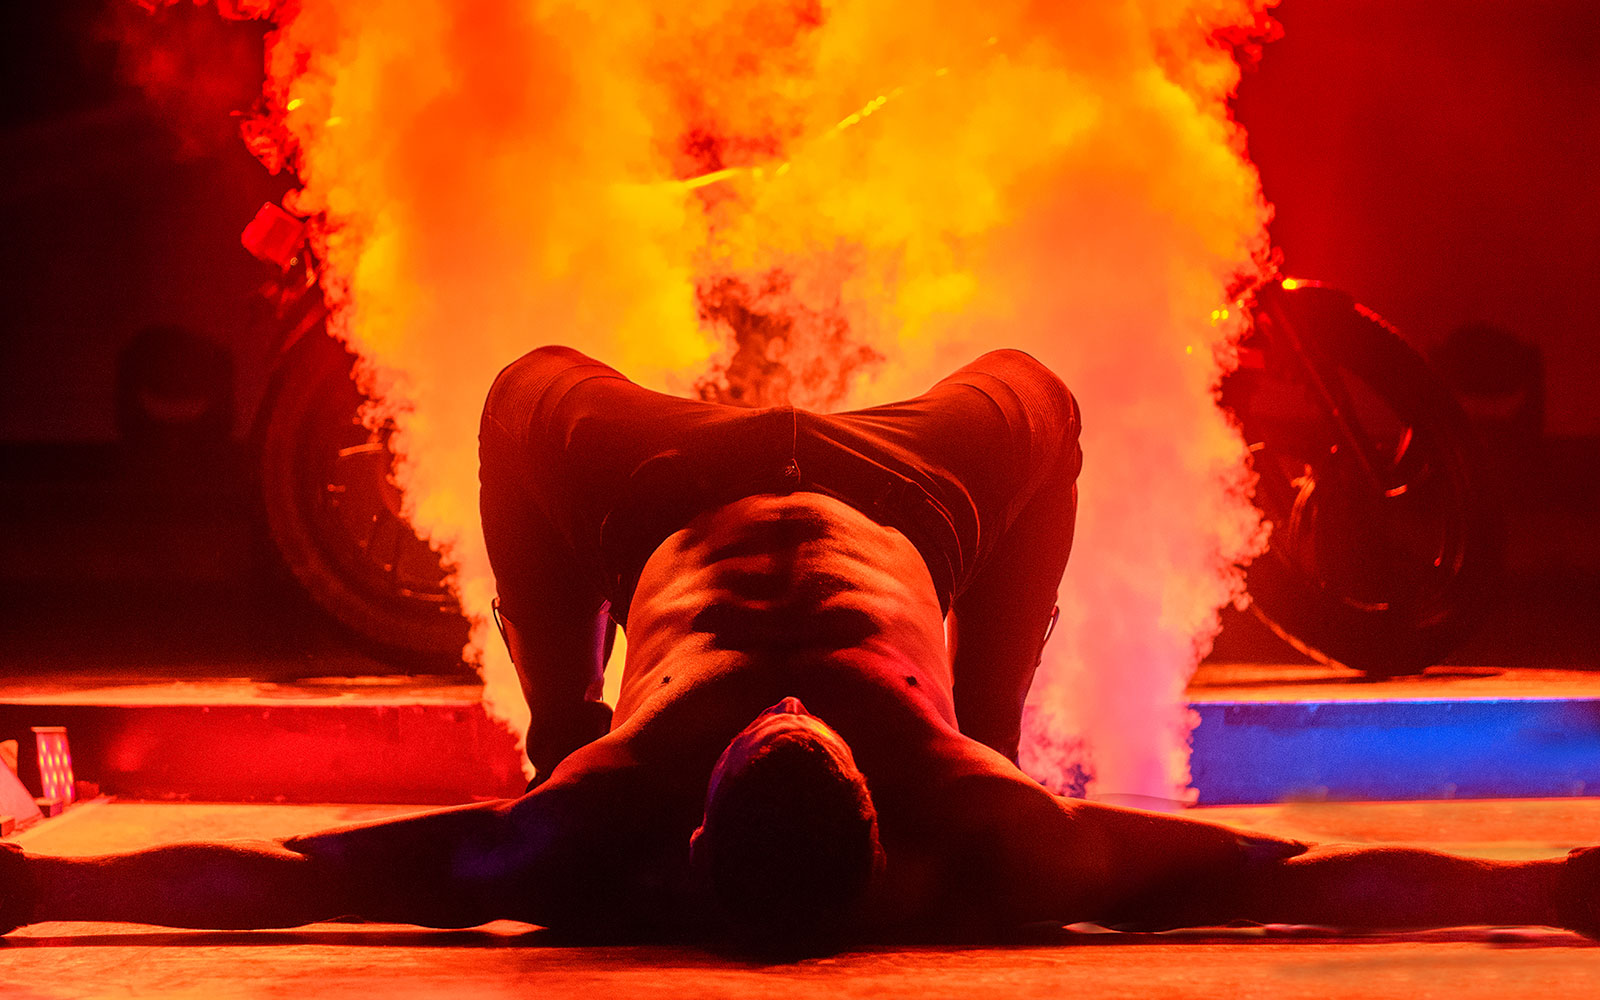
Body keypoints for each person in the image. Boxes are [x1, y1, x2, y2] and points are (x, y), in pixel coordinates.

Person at [2, 345, 1596, 954]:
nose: (785, 712)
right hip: (915, 483)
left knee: (516, 386)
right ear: (884, 802)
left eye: (772, 745)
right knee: (1047, 384)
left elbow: (297, 882)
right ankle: (1012, 698)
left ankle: (549, 695)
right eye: (815, 746)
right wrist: (1540, 892)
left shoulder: (597, 814)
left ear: (692, 818)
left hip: (654, 489)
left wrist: (43, 891)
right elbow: (1280, 882)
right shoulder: (988, 820)